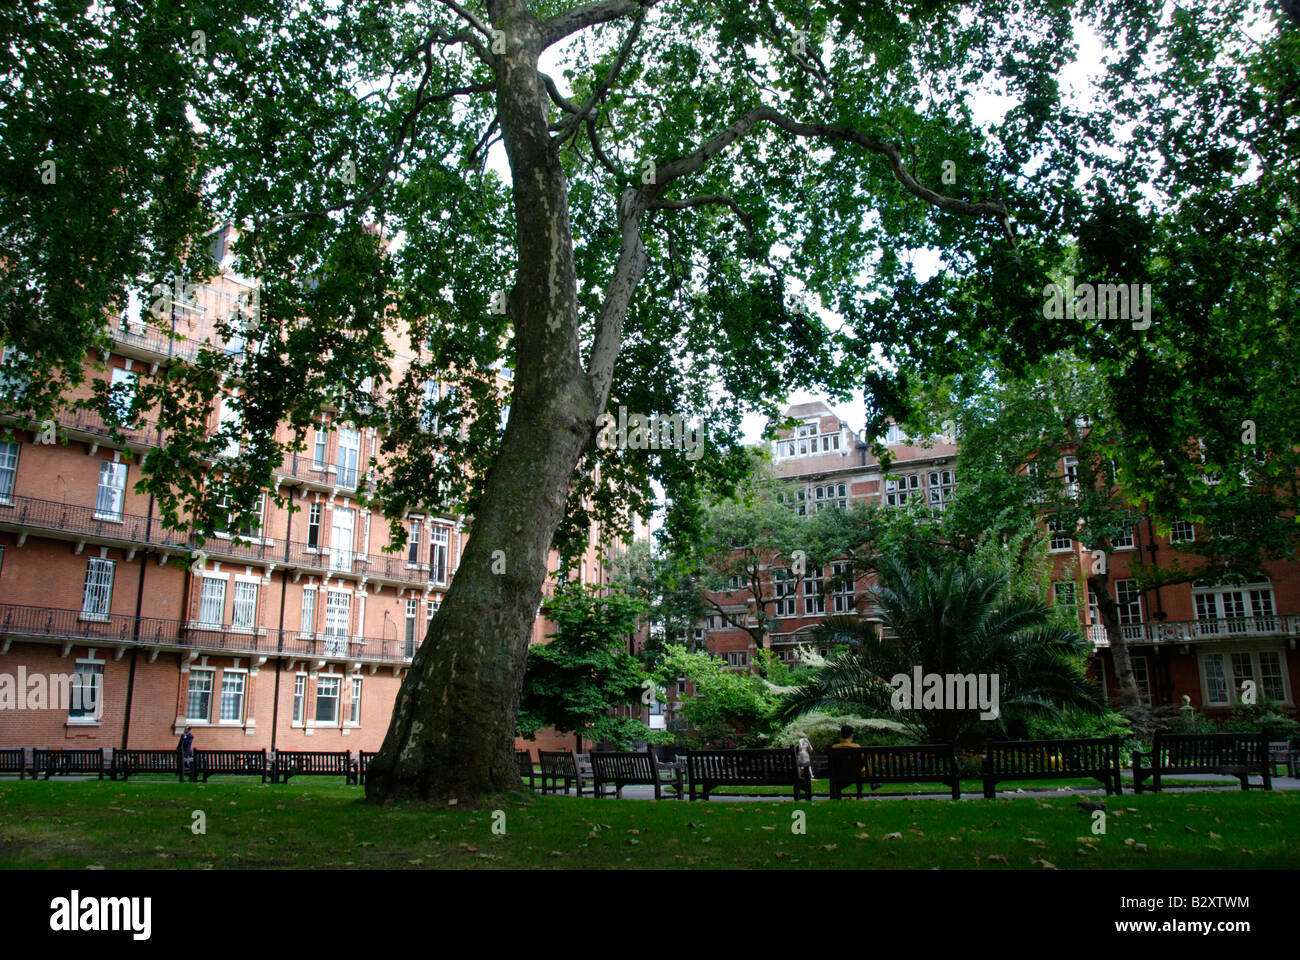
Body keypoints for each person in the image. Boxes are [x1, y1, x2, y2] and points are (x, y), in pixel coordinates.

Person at [829, 724, 881, 793]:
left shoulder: (834, 748)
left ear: (841, 735)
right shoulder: (856, 747)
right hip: (856, 774)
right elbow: (863, 760)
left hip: (839, 774)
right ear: (851, 735)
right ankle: (873, 783)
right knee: (864, 765)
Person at [795, 731, 814, 800]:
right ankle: (810, 775)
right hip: (806, 754)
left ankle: (799, 777)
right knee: (807, 766)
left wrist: (799, 749)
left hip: (802, 754)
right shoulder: (806, 740)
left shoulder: (800, 740)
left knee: (800, 767)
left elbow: (800, 747)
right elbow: (811, 749)